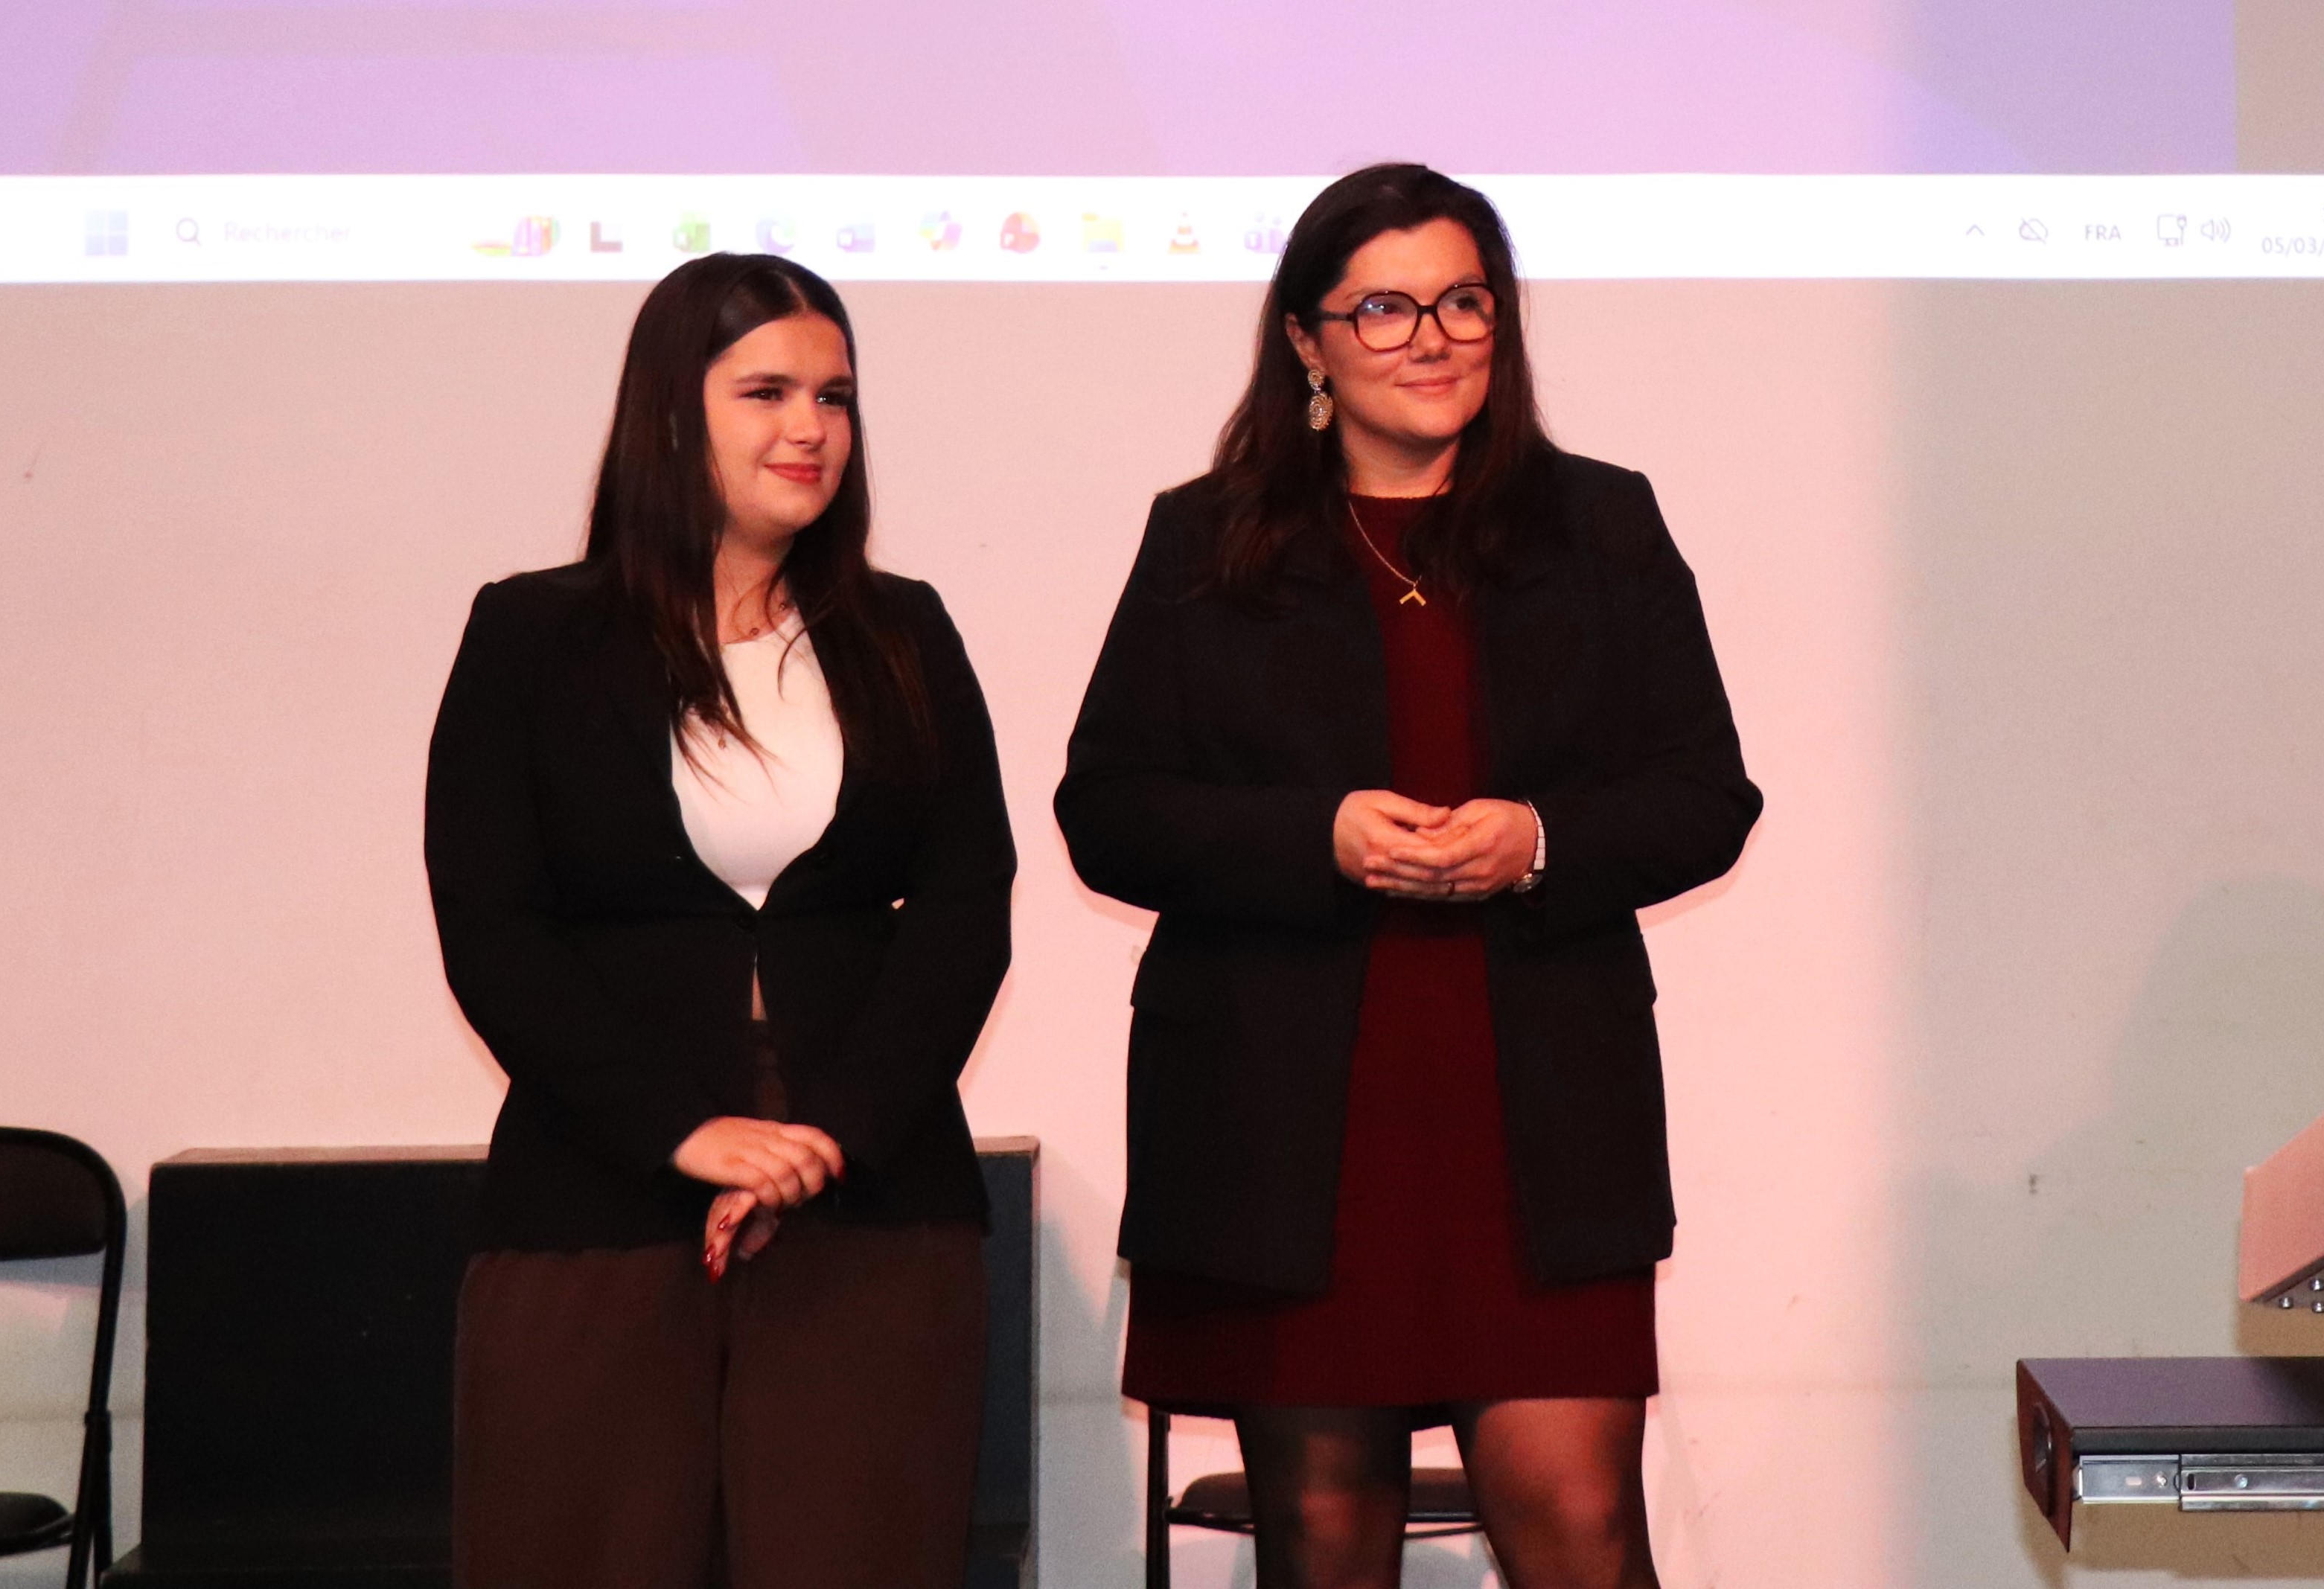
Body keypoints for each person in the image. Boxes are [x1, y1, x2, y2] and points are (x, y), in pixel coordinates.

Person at [1056, 164, 1760, 1589]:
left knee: (1580, 1526)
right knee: (1323, 1544)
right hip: (1282, 1128)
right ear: (1307, 341)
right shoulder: (1207, 538)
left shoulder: (1601, 525)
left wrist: (1540, 839)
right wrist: (1313, 837)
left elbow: (1706, 796)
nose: (1432, 338)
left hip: (1535, 1119)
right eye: (1384, 308)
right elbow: (1108, 811)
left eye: (1463, 302)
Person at [424, 252, 1014, 1589]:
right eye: (767, 392)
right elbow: (493, 930)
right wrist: (683, 1132)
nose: (811, 428)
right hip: (600, 1182)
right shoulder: (532, 634)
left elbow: (966, 909)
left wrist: (826, 1138)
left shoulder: (905, 630)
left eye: (834, 396)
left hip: (870, 1190)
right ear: (672, 415)